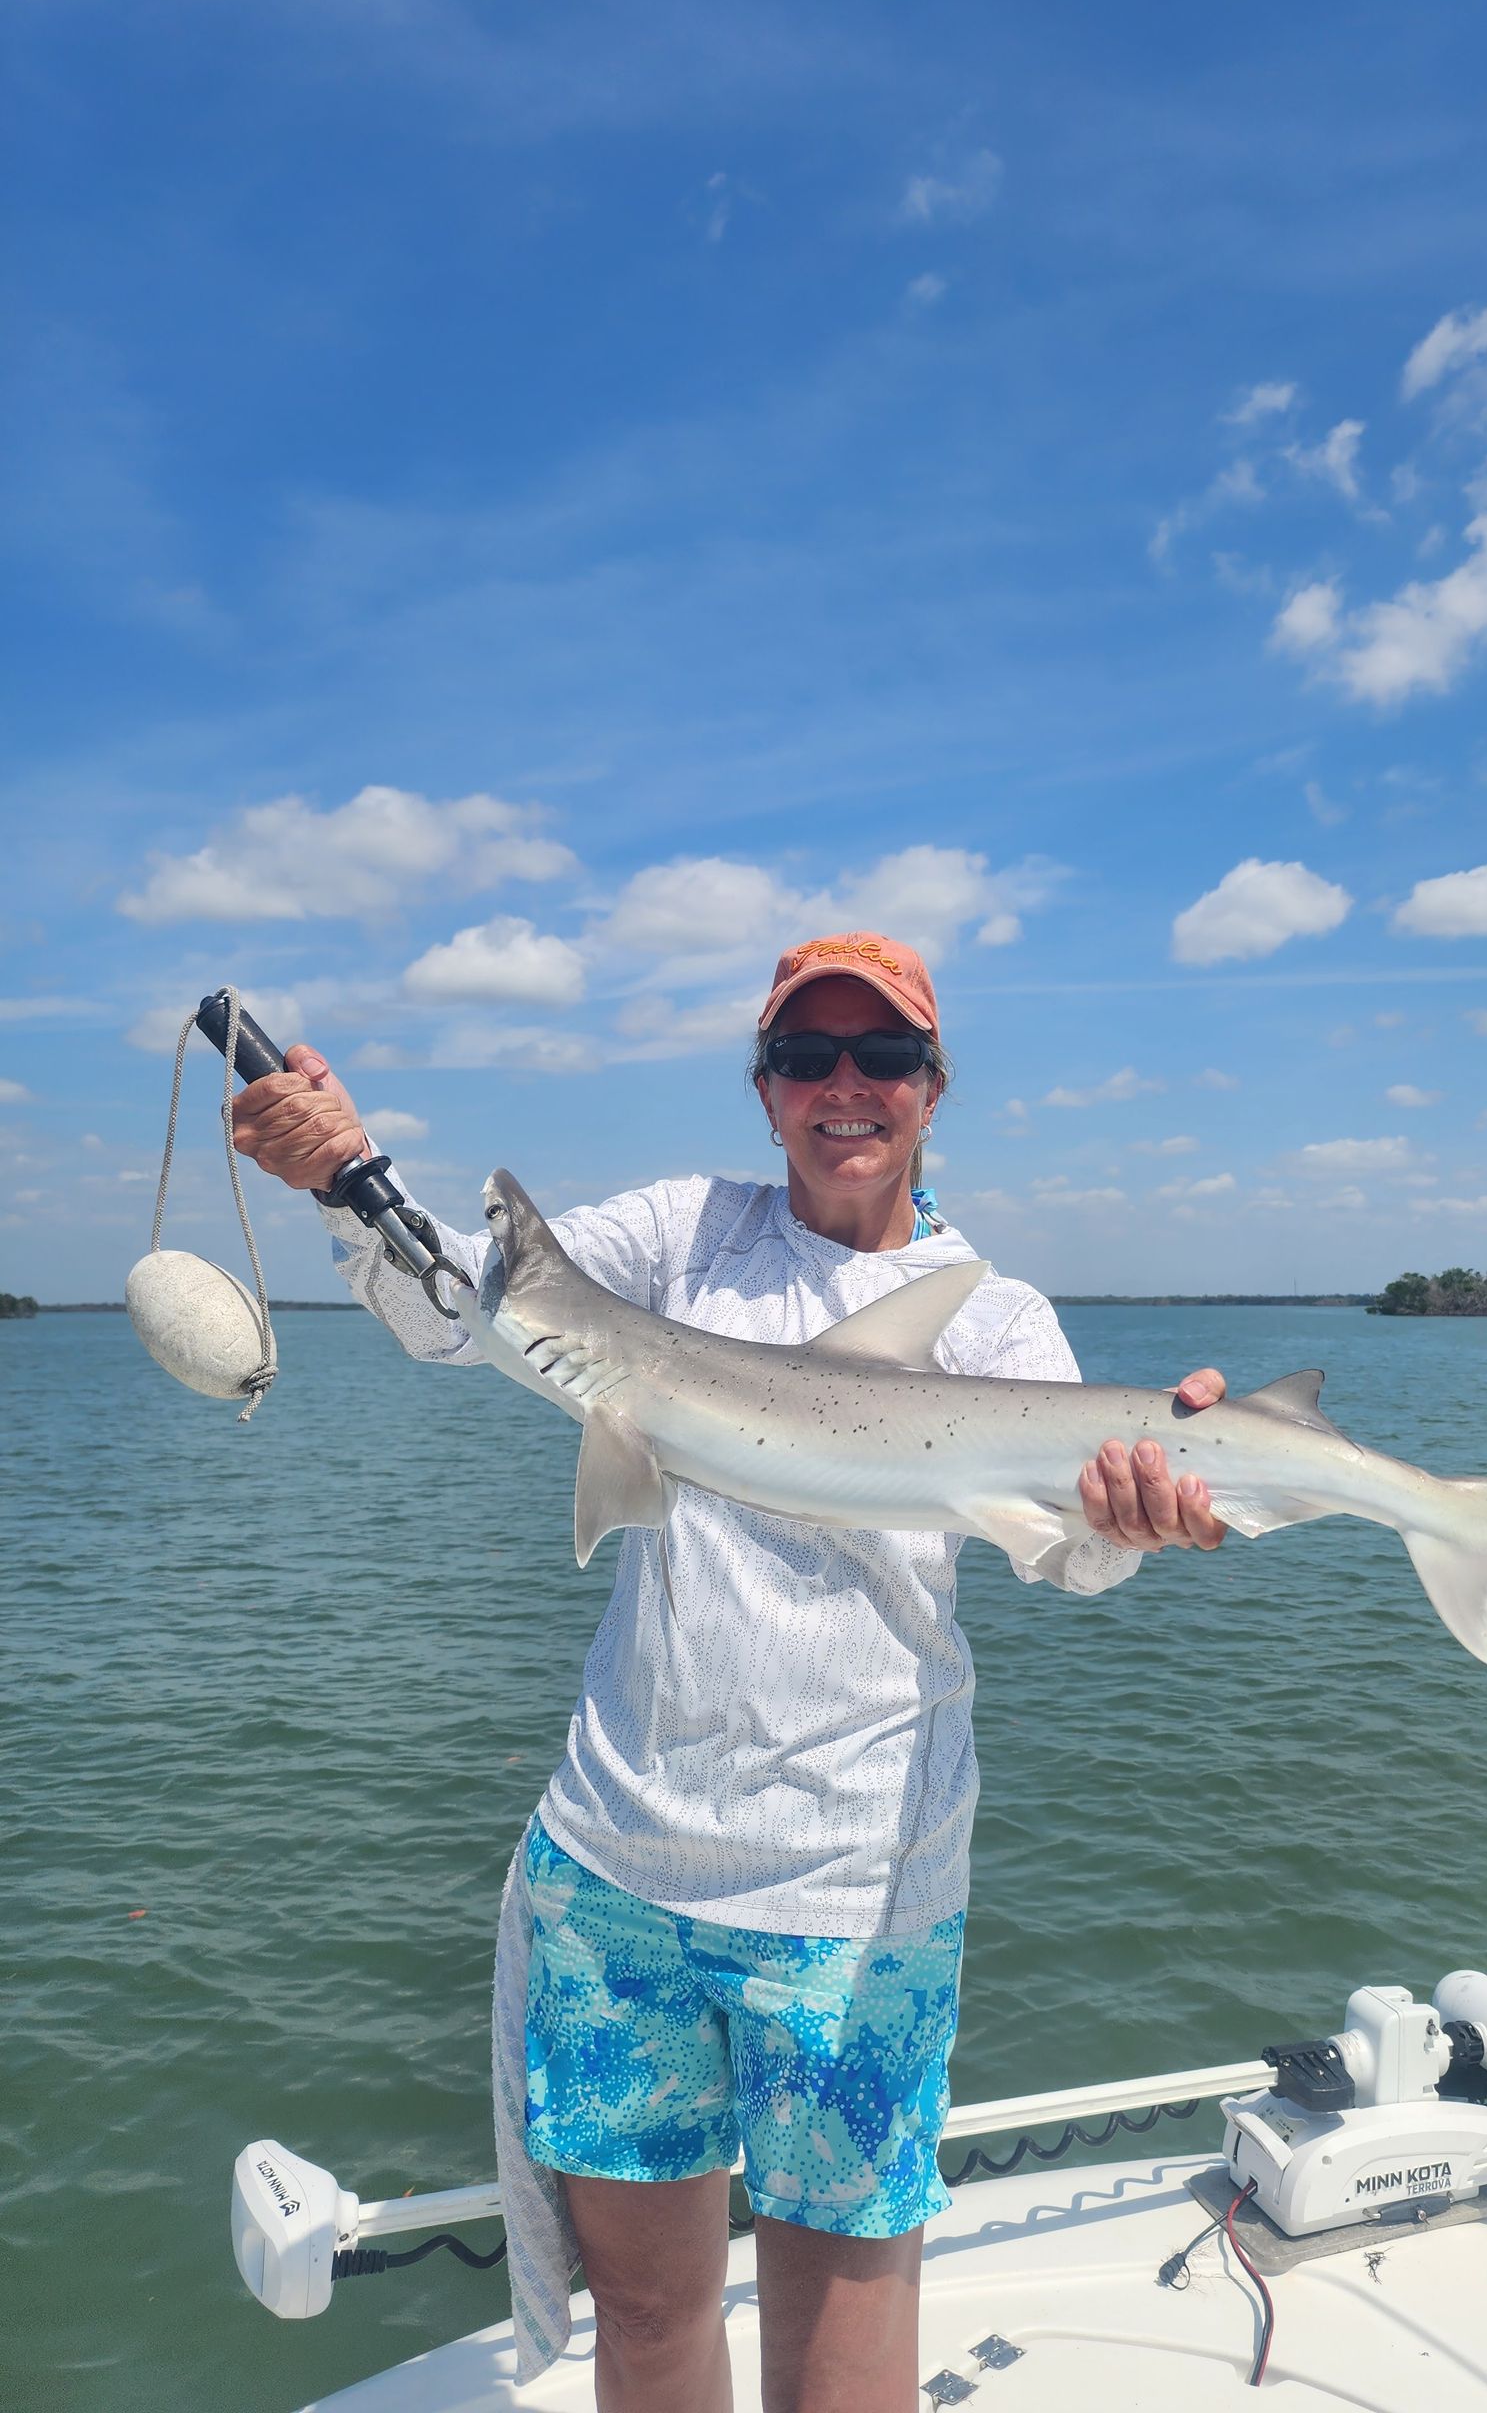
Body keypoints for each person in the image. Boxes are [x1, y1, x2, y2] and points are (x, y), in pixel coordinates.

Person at [232, 930, 1227, 2413]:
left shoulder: (994, 1318)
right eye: (803, 1057)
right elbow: (477, 1314)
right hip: (617, 1883)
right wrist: (344, 1181)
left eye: (881, 1057)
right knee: (642, 2320)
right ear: (763, 1091)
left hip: (857, 1899)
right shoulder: (684, 1237)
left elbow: (1072, 1558)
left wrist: (1134, 1526)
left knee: (841, 2360)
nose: (845, 1086)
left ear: (932, 1088)